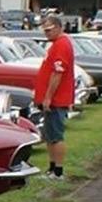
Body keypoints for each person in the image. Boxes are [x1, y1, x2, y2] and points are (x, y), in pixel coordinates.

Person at [31, 12, 77, 179]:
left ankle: (58, 171)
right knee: (49, 135)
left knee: (56, 135)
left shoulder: (62, 45)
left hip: (57, 100)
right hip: (50, 99)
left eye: (49, 30)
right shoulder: (56, 44)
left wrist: (48, 97)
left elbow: (57, 73)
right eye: (45, 30)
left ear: (58, 28)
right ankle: (52, 169)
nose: (46, 33)